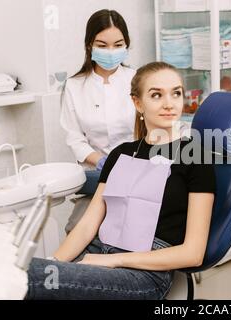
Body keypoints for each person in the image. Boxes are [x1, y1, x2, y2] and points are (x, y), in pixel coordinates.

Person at [26, 62, 216, 300]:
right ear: (138, 103)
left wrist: (112, 261)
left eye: (176, 93)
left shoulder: (196, 156)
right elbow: (87, 226)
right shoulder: (121, 153)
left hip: (143, 272)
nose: (169, 103)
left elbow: (193, 253)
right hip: (99, 248)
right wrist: (54, 262)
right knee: (20, 270)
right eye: (156, 95)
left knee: (25, 279)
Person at [60, 9, 137, 233]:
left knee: (131, 229)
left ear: (126, 45)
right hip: (97, 174)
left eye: (118, 44)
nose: (110, 51)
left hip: (137, 171)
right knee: (77, 228)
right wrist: (103, 161)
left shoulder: (138, 80)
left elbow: (150, 129)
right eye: (102, 45)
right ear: (89, 45)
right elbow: (74, 138)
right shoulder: (75, 86)